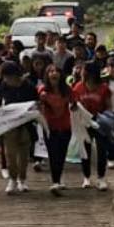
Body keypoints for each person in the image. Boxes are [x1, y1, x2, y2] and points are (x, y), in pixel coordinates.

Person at [0, 60, 38, 194]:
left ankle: (23, 179)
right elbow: (0, 102)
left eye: (8, 76)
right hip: (9, 124)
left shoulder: (29, 86)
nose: (7, 79)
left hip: (26, 124)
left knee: (24, 154)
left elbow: (35, 103)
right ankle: (12, 179)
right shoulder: (3, 86)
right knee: (10, 154)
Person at [71, 61, 111, 190]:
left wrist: (106, 120)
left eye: (84, 71)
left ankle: (101, 178)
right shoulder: (78, 87)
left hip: (99, 121)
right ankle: (86, 177)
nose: (81, 73)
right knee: (85, 150)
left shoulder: (104, 88)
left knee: (101, 150)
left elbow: (109, 106)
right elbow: (73, 104)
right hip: (84, 121)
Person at [38, 63, 73, 196]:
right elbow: (37, 106)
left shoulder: (67, 90)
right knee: (53, 154)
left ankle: (58, 178)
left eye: (56, 71)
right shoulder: (42, 90)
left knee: (61, 154)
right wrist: (41, 100)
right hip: (49, 127)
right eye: (51, 71)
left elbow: (75, 104)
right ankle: (55, 181)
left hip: (65, 127)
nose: (54, 73)